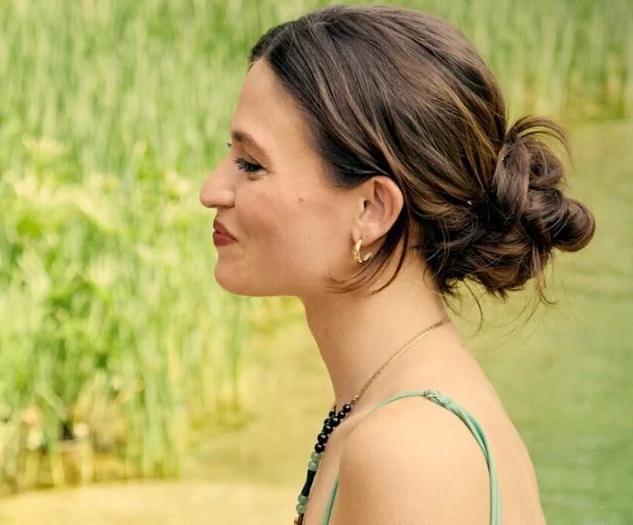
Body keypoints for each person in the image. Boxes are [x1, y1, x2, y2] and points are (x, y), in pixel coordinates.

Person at [200, 5, 595, 525]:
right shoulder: (385, 410)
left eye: (251, 164)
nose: (211, 190)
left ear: (371, 209)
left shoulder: (409, 451)